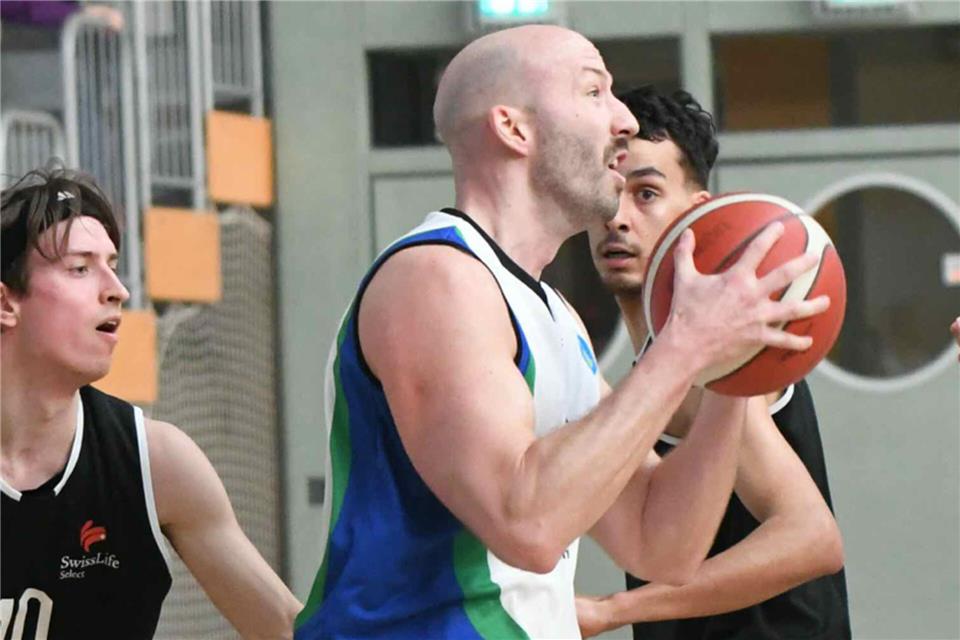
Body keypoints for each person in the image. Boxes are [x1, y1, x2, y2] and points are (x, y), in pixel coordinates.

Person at [294, 26, 829, 639]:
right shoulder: (435, 279)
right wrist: (687, 345)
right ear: (514, 129)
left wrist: (732, 367)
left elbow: (661, 544)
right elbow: (527, 525)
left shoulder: (554, 314)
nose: (624, 119)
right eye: (594, 91)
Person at [577, 85, 850, 639]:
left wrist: (610, 611)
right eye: (609, 192)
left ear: (698, 214)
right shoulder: (655, 361)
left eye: (647, 194)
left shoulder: (719, 362)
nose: (618, 218)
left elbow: (811, 538)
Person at [0, 165, 301, 639]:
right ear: (6, 303)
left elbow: (285, 628)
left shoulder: (157, 462)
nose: (117, 289)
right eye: (80, 268)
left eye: (113, 266)